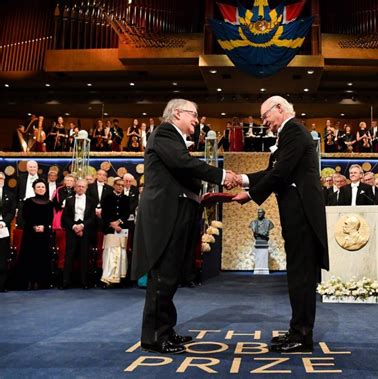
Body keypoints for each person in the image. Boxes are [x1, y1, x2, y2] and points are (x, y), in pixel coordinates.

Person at [131, 98, 238, 354]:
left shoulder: (176, 140)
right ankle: (155, 337)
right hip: (165, 216)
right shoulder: (165, 132)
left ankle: (166, 331)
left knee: (170, 277)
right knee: (162, 277)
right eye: (194, 114)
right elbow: (184, 164)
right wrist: (223, 176)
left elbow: (183, 171)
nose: (197, 119)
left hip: (177, 213)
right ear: (177, 113)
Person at [233, 95, 329, 353]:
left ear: (279, 109)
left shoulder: (294, 131)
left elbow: (280, 173)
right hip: (297, 216)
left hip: (303, 217)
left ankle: (302, 336)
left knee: (302, 277)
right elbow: (272, 172)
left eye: (266, 116)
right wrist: (240, 178)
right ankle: (297, 330)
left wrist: (251, 195)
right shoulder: (289, 134)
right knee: (298, 275)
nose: (265, 123)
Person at [16, 179, 54, 290]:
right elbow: (25, 217)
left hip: (44, 233)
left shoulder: (50, 203)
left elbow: (50, 219)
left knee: (42, 257)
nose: (40, 189)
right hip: (30, 234)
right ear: (34, 189)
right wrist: (34, 226)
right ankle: (28, 281)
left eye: (42, 187)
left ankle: (41, 282)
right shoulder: (28, 202)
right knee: (29, 256)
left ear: (46, 189)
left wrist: (44, 227)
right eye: (38, 187)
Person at [61, 179, 96, 289]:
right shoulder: (69, 200)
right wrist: (74, 226)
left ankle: (84, 282)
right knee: (69, 256)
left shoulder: (91, 201)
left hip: (85, 230)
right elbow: (65, 217)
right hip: (72, 229)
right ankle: (66, 282)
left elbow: (92, 218)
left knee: (84, 255)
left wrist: (82, 226)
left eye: (83, 187)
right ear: (75, 187)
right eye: (79, 186)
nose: (80, 188)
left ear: (86, 188)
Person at [100, 177, 130, 286]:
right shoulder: (107, 197)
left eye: (122, 185)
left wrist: (119, 222)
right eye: (118, 185)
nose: (120, 187)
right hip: (110, 229)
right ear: (114, 185)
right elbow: (104, 214)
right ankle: (108, 278)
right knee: (110, 253)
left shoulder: (126, 198)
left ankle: (120, 278)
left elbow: (127, 213)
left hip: (122, 228)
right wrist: (112, 224)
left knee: (121, 252)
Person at [0, 173, 16, 292]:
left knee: (3, 256)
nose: (0, 180)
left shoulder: (9, 195)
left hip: (3, 228)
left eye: (1, 178)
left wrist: (4, 223)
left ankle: (2, 284)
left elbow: (11, 212)